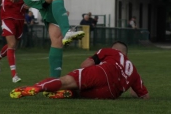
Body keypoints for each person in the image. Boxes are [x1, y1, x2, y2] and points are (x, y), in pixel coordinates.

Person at [10, 41, 149, 100]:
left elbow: (86, 64)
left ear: (115, 48)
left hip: (102, 72)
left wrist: (81, 75)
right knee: (78, 92)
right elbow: (142, 95)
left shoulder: (110, 51)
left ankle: (36, 88)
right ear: (126, 54)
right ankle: (69, 94)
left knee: (64, 81)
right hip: (110, 93)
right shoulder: (134, 71)